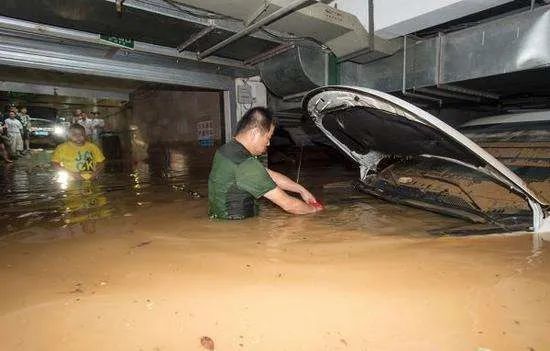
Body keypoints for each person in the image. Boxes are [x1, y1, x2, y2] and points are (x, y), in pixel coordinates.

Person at [208, 107, 323, 219]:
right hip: (239, 228)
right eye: (268, 137)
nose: (268, 143)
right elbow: (289, 205)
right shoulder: (245, 165)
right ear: (255, 133)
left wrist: (301, 190)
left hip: (222, 219)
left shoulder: (226, 150)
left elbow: (268, 174)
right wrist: (316, 210)